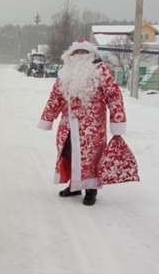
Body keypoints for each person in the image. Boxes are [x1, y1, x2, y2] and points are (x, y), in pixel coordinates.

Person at [38, 39, 138, 206]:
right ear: (71, 55)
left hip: (92, 127)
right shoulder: (65, 73)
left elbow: (114, 96)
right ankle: (74, 186)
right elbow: (55, 97)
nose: (79, 56)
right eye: (76, 53)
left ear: (90, 55)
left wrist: (117, 120)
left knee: (90, 157)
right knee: (69, 154)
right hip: (68, 124)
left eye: (83, 53)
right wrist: (47, 118)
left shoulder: (101, 71)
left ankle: (91, 190)